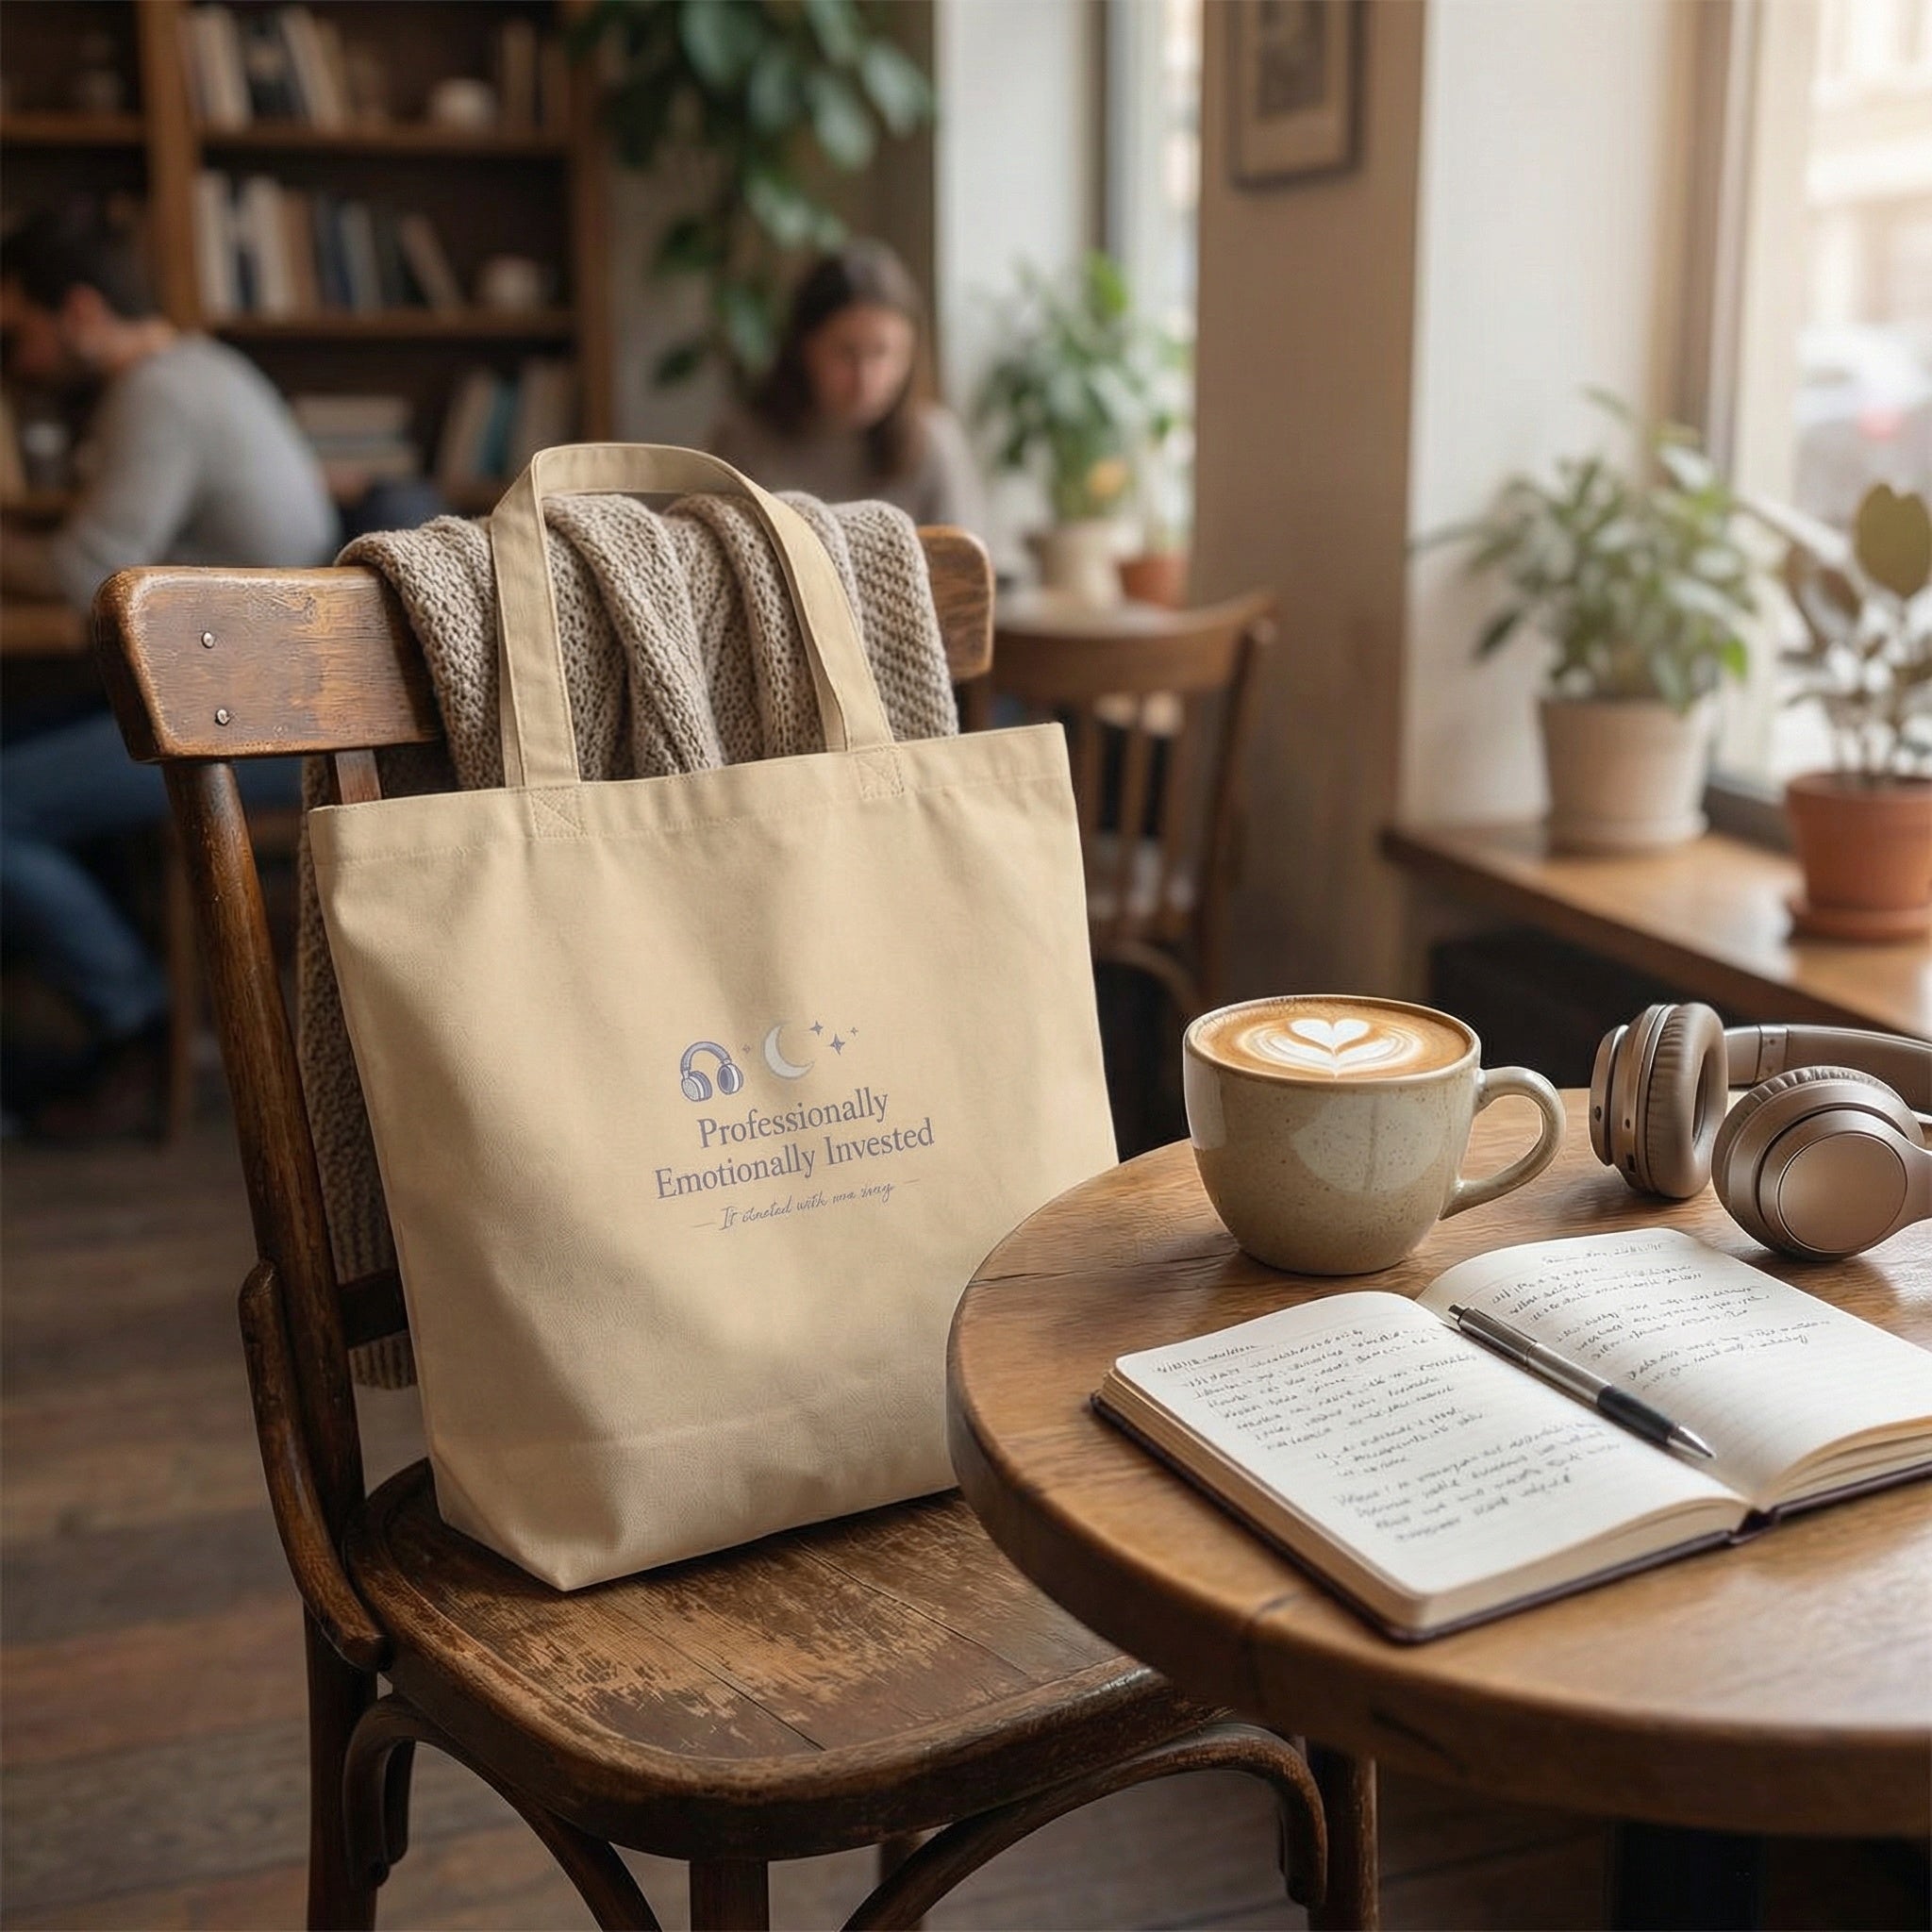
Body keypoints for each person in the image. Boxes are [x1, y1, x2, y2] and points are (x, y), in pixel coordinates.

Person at [1, 200, 337, 1132]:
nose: (16, 361)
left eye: (16, 332)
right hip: (241, 691)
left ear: (78, 313)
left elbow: (81, 576)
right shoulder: (204, 369)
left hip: (256, 717)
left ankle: (135, 1018)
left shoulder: (160, 394)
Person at [709, 241, 984, 532]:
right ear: (805, 348)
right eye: (845, 353)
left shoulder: (934, 444)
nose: (865, 379)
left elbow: (968, 566)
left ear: (910, 353)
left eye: (881, 353)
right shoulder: (745, 440)